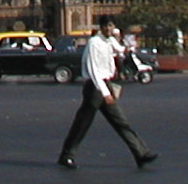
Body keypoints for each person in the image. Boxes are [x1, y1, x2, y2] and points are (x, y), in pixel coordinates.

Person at [57, 16, 157, 171]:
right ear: (102, 27)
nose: (110, 29)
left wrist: (122, 39)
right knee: (83, 123)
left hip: (106, 84)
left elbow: (122, 51)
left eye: (112, 26)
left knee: (121, 122)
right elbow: (93, 70)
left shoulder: (109, 41)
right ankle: (67, 155)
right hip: (95, 87)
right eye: (107, 26)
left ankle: (141, 153)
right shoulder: (94, 43)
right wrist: (105, 93)